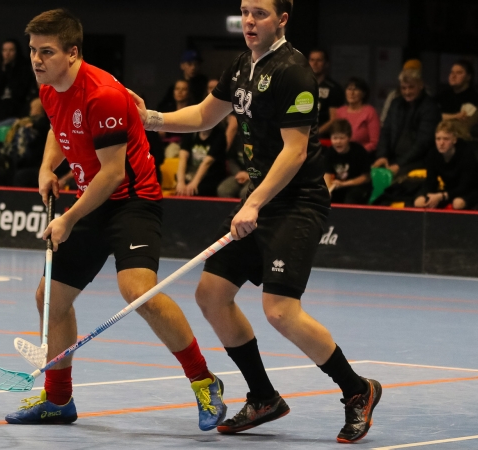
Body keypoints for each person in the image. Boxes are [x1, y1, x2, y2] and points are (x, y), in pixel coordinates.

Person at [131, 0, 381, 442]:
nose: (249, 20)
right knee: (211, 295)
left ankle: (357, 390)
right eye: (245, 11)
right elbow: (206, 114)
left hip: (296, 203)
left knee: (280, 311)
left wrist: (253, 204)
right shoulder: (241, 65)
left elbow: (295, 152)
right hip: (260, 200)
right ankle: (264, 397)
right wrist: (151, 119)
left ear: (282, 19)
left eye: (260, 13)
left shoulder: (294, 72)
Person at [4, 9, 227, 431]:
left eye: (46, 52)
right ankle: (58, 399)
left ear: (72, 53)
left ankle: (204, 381)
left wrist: (68, 219)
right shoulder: (50, 86)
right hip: (93, 198)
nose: (36, 59)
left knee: (138, 292)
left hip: (132, 201)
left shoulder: (102, 94)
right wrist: (47, 168)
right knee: (50, 297)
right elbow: (58, 129)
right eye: (32, 50)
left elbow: (112, 175)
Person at [374, 68, 441, 177]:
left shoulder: (430, 107)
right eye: (403, 88)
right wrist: (382, 155)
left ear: (420, 85)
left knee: (391, 180)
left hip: (419, 160)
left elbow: (423, 143)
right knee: (371, 175)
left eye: (411, 87)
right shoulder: (396, 104)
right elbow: (386, 131)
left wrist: (399, 164)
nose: (407, 92)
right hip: (393, 157)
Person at [414, 121, 478, 210]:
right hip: (449, 190)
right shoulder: (433, 154)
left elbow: (465, 186)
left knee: (458, 203)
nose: (441, 143)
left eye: (446, 139)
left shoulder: (466, 153)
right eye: (438, 139)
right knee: (419, 202)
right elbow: (430, 181)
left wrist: (442, 196)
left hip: (472, 190)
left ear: (454, 140)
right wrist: (426, 195)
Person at [324, 120, 372, 204]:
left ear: (349, 137)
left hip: (358, 187)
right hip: (339, 186)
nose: (338, 141)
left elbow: (366, 177)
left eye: (342, 138)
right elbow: (327, 173)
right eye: (335, 138)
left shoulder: (359, 151)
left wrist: (344, 184)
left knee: (351, 197)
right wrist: (328, 190)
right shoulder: (329, 153)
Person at [436, 60, 478, 135]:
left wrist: (443, 117)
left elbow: (462, 125)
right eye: (452, 72)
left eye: (459, 73)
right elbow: (431, 115)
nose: (453, 76)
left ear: (468, 77)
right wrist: (455, 116)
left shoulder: (474, 97)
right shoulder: (443, 95)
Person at [175, 125, 228, 197]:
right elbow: (183, 158)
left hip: (211, 176)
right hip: (191, 173)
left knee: (196, 190)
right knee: (180, 190)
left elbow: (207, 163)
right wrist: (180, 182)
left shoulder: (219, 134)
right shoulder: (190, 132)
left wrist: (194, 183)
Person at [0, 38, 37, 120]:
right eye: (4, 50)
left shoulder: (24, 70)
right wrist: (3, 70)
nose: (7, 53)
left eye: (11, 50)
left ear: (17, 52)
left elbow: (19, 94)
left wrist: (8, 70)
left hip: (17, 114)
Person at [335, 77, 380, 152]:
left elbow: (375, 142)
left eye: (355, 89)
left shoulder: (370, 112)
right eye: (349, 89)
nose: (351, 93)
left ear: (363, 93)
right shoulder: (340, 111)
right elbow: (336, 136)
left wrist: (357, 153)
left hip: (364, 154)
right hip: (342, 153)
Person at [308, 48, 345, 138]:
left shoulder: (334, 88)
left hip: (324, 138)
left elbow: (334, 119)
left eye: (319, 60)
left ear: (326, 64)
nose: (315, 63)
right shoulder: (300, 85)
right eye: (312, 60)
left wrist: (314, 134)